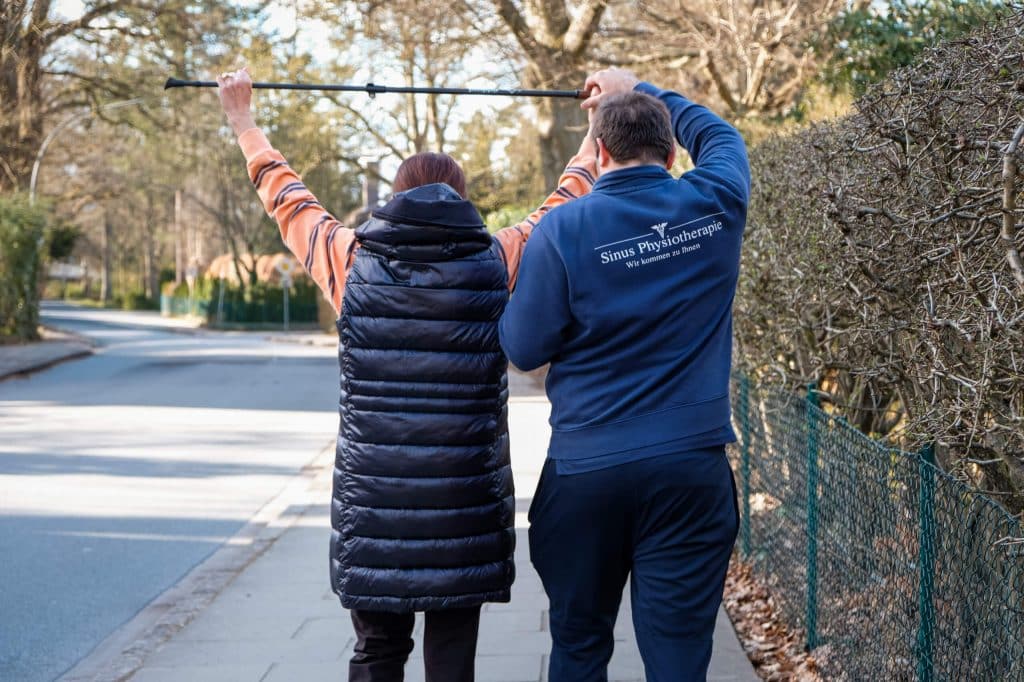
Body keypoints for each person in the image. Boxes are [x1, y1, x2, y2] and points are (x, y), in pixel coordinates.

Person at [215, 67, 597, 682]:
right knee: (452, 663)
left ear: (394, 195)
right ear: (463, 197)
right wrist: (595, 132)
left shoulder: (351, 261)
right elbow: (565, 203)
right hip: (464, 502)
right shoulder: (495, 260)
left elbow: (288, 198)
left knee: (376, 654)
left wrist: (244, 121)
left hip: (375, 506)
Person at [499, 68, 750, 681]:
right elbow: (722, 138)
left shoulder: (561, 230)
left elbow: (524, 349)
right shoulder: (714, 201)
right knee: (679, 657)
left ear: (600, 151)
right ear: (670, 153)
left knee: (580, 645)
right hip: (690, 472)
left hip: (586, 474)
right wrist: (642, 88)